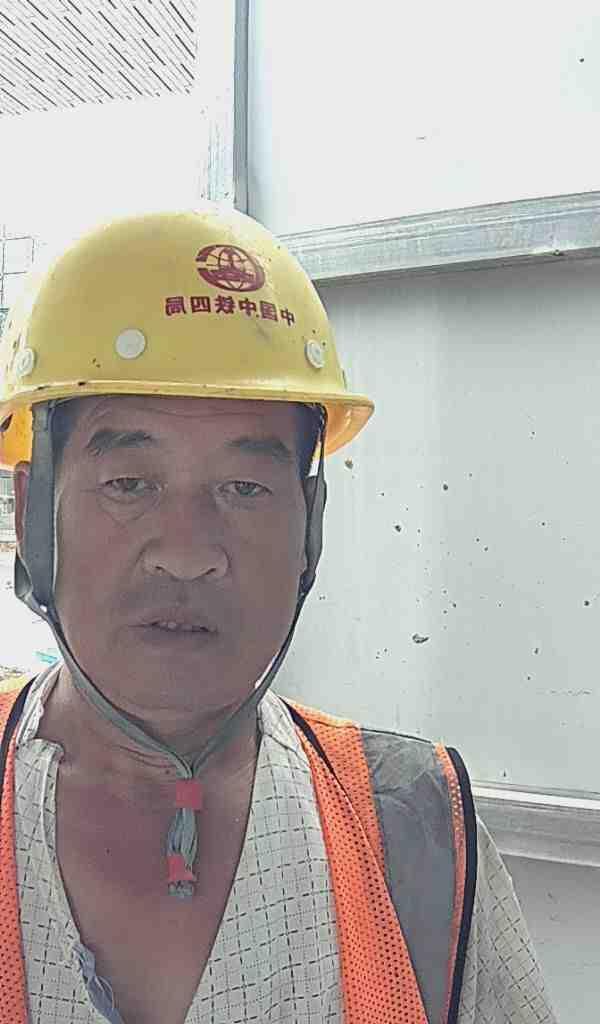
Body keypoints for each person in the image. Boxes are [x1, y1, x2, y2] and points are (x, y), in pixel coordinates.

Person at [0, 209, 557, 1024]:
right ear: (31, 513)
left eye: (245, 488)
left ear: (310, 527)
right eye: (129, 483)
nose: (187, 552)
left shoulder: (416, 829)